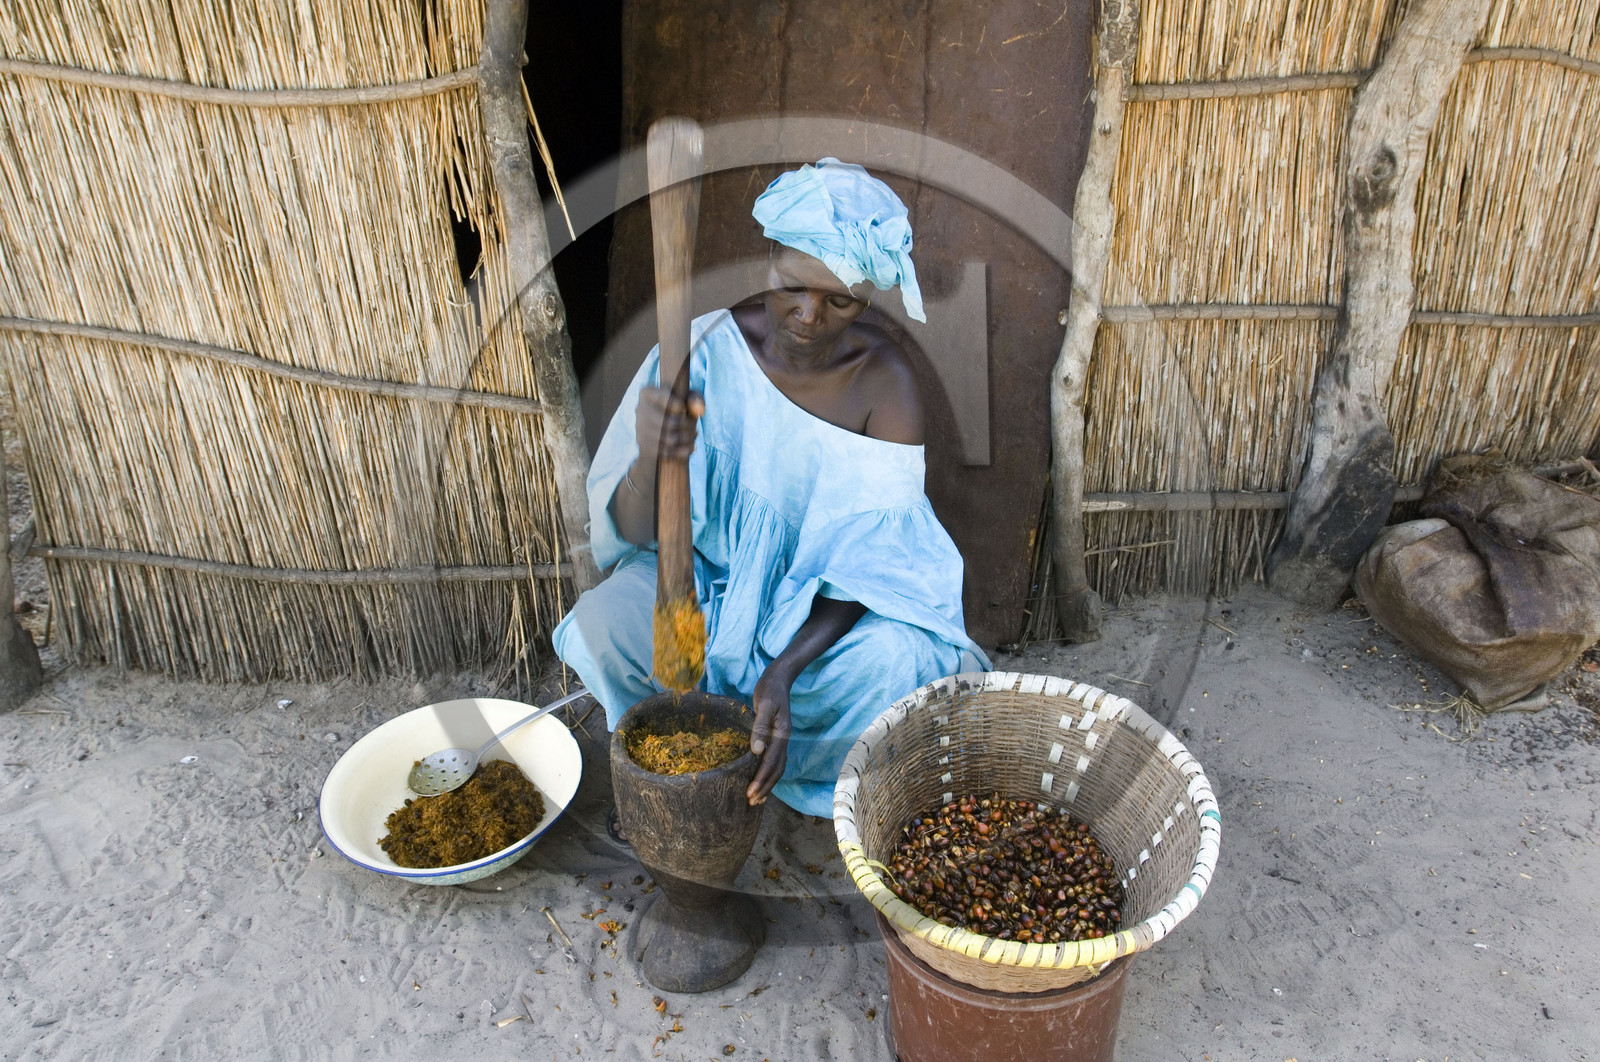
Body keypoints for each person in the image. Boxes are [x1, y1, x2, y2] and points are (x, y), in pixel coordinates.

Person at [553, 158, 988, 820]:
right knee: (602, 627)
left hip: (812, 617)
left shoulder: (886, 386)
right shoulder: (701, 353)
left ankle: (784, 768)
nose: (809, 315)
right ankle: (698, 755)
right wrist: (650, 458)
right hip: (705, 587)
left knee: (895, 662)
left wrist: (782, 671)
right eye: (792, 287)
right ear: (770, 262)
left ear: (868, 296)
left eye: (840, 299)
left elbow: (870, 571)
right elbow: (637, 535)